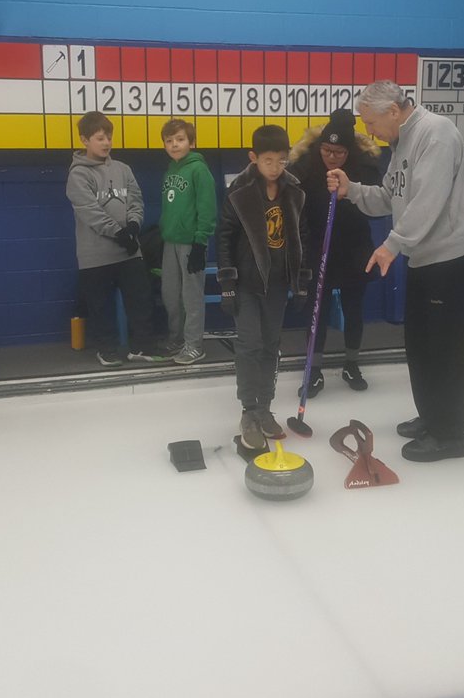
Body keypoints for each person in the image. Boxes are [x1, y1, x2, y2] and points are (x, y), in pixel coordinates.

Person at [327, 81, 464, 462]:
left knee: (446, 349)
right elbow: (390, 197)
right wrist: (351, 190)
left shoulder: (436, 133)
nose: (369, 131)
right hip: (426, 258)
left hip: (455, 259)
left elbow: (428, 201)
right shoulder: (400, 144)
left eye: (371, 122)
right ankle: (433, 416)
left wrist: (392, 244)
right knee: (420, 345)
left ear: (394, 111)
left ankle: (450, 435)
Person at [217, 124, 311, 453]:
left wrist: (301, 283)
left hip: (278, 285)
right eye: (268, 160)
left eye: (282, 161)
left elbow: (303, 240)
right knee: (249, 345)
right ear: (253, 158)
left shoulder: (293, 193)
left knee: (271, 345)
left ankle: (264, 408)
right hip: (246, 284)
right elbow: (225, 238)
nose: (275, 167)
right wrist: (227, 285)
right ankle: (248, 412)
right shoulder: (239, 193)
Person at [288, 108, 387, 396]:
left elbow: (378, 207)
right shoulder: (305, 164)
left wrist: (348, 195)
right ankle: (314, 370)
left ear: (350, 150)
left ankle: (352, 363)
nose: (331, 157)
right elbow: (291, 200)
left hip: (354, 245)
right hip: (318, 245)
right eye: (327, 150)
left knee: (354, 307)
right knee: (316, 310)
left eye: (339, 152)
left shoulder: (365, 167)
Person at [66, 111, 164, 367]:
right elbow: (89, 211)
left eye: (108, 137)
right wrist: (118, 233)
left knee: (141, 299)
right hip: (94, 256)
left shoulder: (123, 168)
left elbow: (135, 199)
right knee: (100, 306)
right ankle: (106, 350)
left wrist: (132, 225)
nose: (106, 142)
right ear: (85, 140)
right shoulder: (78, 175)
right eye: (100, 138)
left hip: (129, 252)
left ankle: (142, 346)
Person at [160, 118, 217, 365]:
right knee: (171, 294)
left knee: (191, 297)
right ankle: (177, 339)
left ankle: (194, 345)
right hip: (170, 242)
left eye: (180, 139)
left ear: (191, 142)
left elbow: (207, 209)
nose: (174, 145)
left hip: (192, 243)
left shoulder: (199, 170)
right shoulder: (171, 169)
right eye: (169, 141)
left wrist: (200, 242)